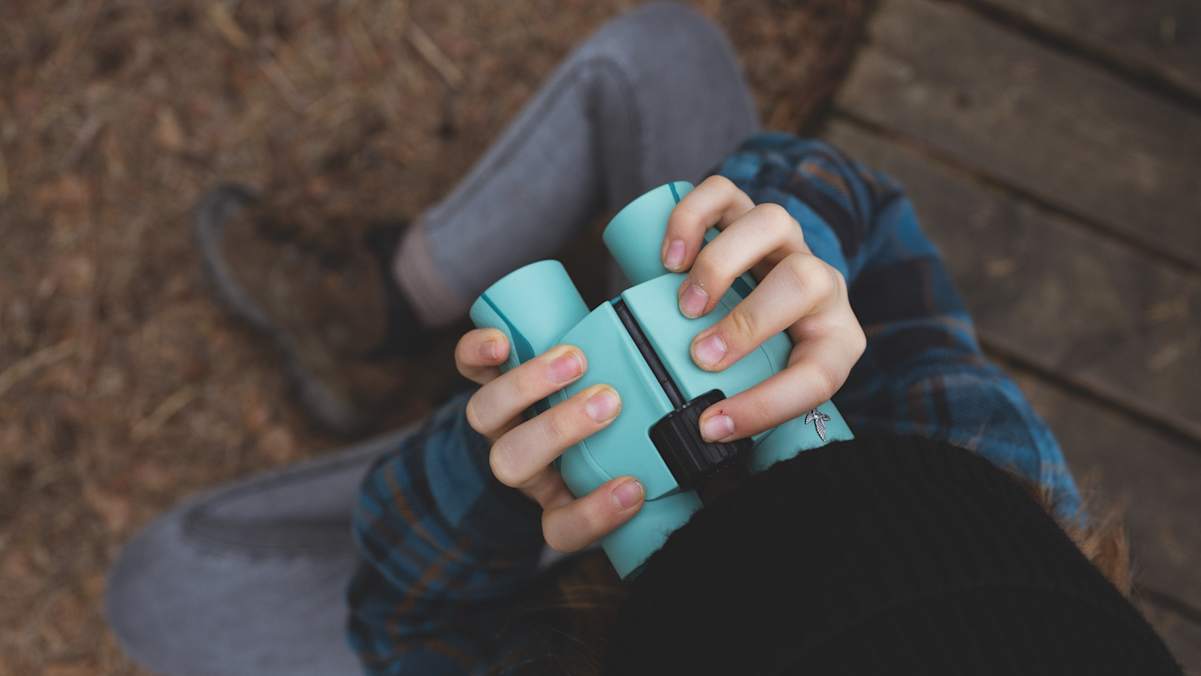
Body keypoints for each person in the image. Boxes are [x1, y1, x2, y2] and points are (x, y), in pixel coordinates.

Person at [105, 3, 1183, 675]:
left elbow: (401, 622)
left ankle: (410, 344)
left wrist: (490, 473)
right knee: (658, 53)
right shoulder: (992, 469)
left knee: (158, 591)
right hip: (679, 521)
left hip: (547, 576)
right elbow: (873, 223)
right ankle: (393, 298)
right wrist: (780, 253)